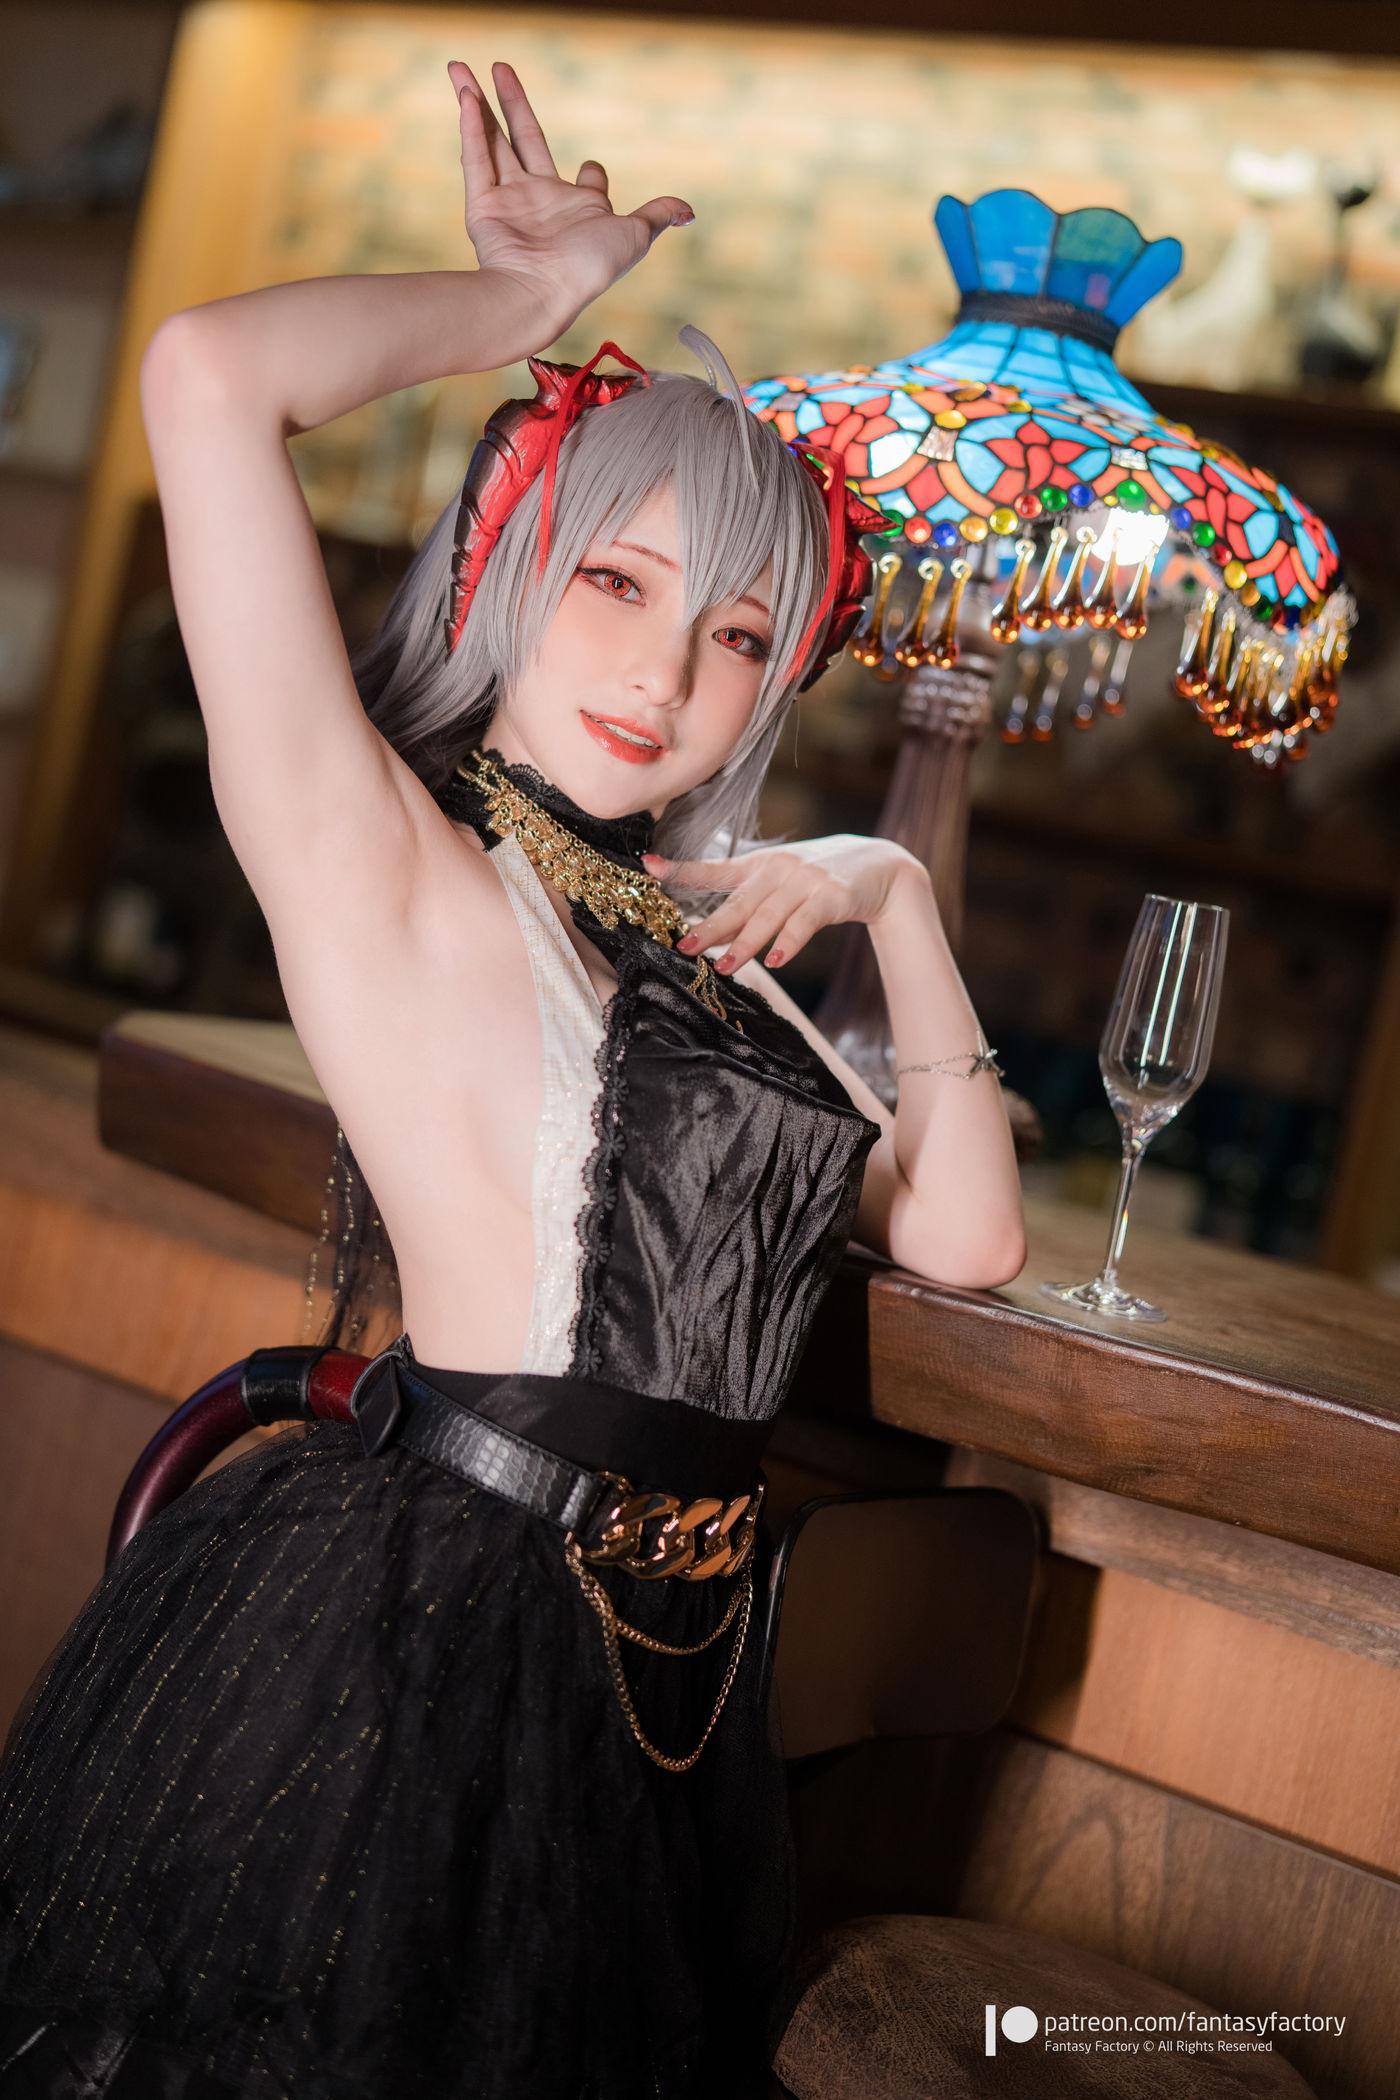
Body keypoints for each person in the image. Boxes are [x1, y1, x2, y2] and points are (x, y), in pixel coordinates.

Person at [0, 56, 1025, 2100]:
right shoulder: (383, 851)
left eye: (737, 636)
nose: (664, 674)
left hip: (676, 1688)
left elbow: (969, 1239)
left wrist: (895, 892)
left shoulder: (704, 951)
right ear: (503, 563)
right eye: (616, 581)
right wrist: (524, 307)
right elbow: (206, 376)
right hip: (421, 1641)